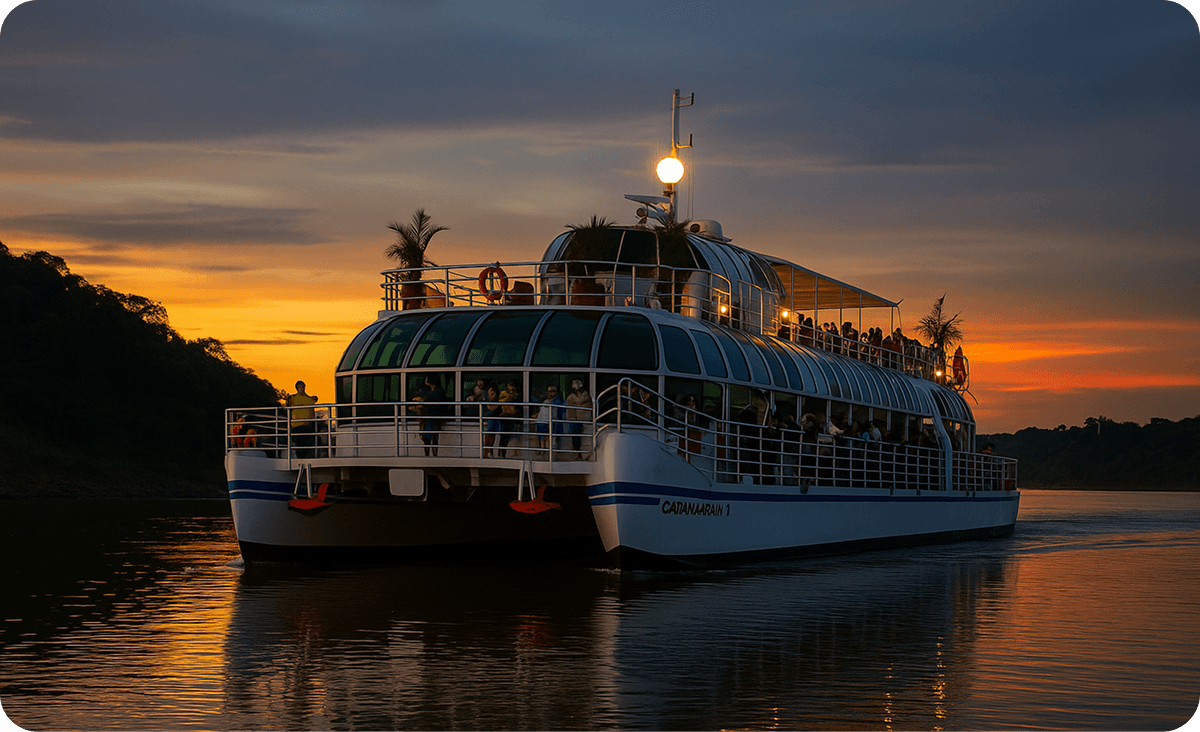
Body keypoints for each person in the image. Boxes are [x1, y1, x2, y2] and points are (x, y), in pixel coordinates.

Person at [415, 375, 447, 456]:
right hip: (429, 417)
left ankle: (431, 454)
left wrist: (422, 400)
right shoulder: (432, 391)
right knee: (428, 437)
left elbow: (430, 398)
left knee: (432, 436)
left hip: (433, 416)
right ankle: (430, 454)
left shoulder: (437, 392)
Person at [286, 380, 319, 458]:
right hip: (298, 425)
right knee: (299, 444)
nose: (302, 389)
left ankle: (307, 456)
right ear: (297, 388)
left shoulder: (306, 398)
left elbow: (314, 399)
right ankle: (300, 458)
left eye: (303, 387)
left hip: (308, 425)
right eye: (300, 387)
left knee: (308, 443)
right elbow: (312, 400)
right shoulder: (294, 398)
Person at [564, 379, 592, 459]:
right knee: (576, 438)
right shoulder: (570, 398)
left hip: (587, 421)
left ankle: (585, 455)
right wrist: (572, 420)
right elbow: (570, 411)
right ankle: (578, 454)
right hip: (576, 421)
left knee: (586, 439)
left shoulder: (587, 396)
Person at [535, 383, 565, 453]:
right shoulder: (545, 400)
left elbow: (558, 412)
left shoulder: (557, 401)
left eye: (554, 391)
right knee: (542, 437)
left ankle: (551, 452)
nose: (552, 393)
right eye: (550, 391)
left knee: (552, 439)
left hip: (554, 422)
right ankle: (542, 450)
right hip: (543, 421)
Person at [498, 380, 522, 457]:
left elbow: (516, 399)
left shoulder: (516, 395)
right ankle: (500, 451)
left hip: (511, 416)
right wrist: (509, 396)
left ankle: (503, 452)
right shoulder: (503, 393)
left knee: (507, 436)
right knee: (502, 435)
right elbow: (501, 401)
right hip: (504, 415)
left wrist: (513, 394)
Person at [482, 383, 502, 458]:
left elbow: (495, 410)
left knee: (495, 434)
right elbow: (490, 409)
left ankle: (496, 452)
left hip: (498, 421)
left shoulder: (498, 400)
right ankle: (487, 452)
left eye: (493, 392)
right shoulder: (486, 400)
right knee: (489, 435)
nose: (491, 394)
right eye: (490, 392)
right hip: (489, 421)